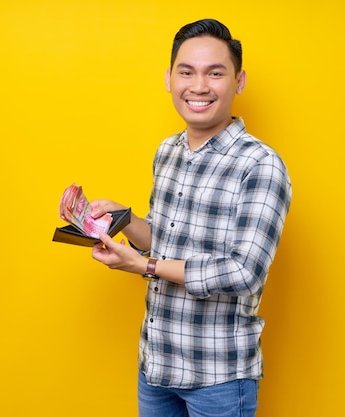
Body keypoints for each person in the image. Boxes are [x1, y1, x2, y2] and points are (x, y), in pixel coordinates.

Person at [88, 18, 292, 416]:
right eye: (187, 72)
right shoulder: (168, 151)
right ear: (169, 78)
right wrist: (124, 219)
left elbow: (244, 272)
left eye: (215, 73)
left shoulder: (261, 165)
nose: (199, 86)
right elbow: (163, 238)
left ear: (239, 81)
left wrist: (143, 266)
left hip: (218, 375)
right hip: (156, 366)